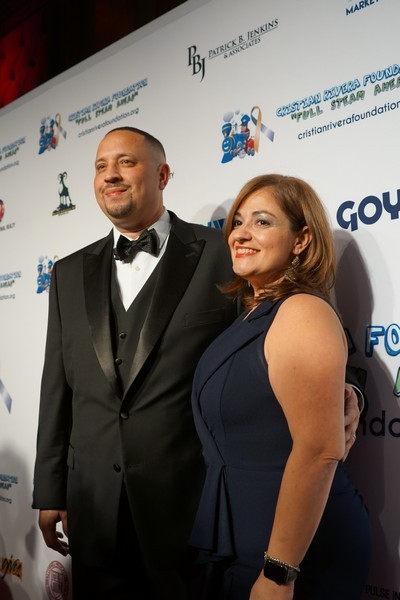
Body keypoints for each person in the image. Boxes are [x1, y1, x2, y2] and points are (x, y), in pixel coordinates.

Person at [32, 129, 362, 600]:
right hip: (94, 508)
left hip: (191, 510)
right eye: (101, 166)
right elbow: (56, 385)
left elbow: (297, 328)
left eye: (126, 162)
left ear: (163, 175)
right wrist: (50, 488)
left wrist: (348, 394)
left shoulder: (226, 253)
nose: (111, 175)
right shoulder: (67, 272)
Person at [189, 174, 371, 599]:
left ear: (301, 239)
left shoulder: (302, 311)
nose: (240, 233)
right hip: (244, 533)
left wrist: (279, 573)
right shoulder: (253, 314)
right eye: (238, 222)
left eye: (262, 221)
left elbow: (319, 450)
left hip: (293, 550)